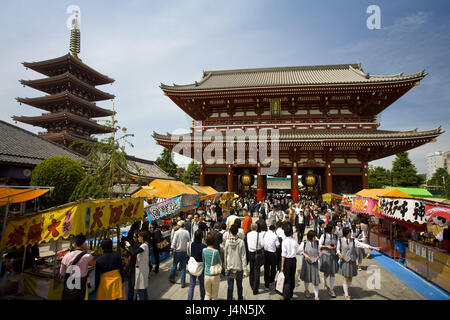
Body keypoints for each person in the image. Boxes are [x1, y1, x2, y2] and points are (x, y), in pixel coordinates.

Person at [337, 227, 380, 300]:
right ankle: (346, 295)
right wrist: (339, 253)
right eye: (349, 233)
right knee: (345, 277)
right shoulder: (340, 241)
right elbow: (338, 249)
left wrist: (372, 247)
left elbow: (362, 245)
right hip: (345, 261)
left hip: (352, 260)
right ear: (346, 234)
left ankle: (347, 288)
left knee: (350, 277)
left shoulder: (353, 241)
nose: (351, 234)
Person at [59, 234, 93, 300]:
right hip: (80, 283)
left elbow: (62, 273)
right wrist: (87, 249)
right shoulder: (87, 256)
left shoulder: (66, 256)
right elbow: (91, 256)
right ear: (84, 244)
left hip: (69, 283)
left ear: (74, 244)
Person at [224, 224, 248, 300]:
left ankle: (229, 298)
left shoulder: (227, 242)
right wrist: (245, 269)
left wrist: (225, 267)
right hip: (239, 267)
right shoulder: (241, 242)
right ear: (237, 231)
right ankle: (240, 298)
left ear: (230, 232)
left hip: (230, 266)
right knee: (239, 285)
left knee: (230, 286)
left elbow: (225, 255)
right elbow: (243, 256)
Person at [125, 231, 150, 300]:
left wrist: (129, 246)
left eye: (138, 237)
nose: (138, 238)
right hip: (142, 268)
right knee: (143, 289)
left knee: (141, 289)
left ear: (142, 237)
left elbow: (134, 253)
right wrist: (128, 248)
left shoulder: (144, 246)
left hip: (141, 269)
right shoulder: (145, 245)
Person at [280, 224, 300, 300]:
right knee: (292, 276)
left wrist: (282, 266)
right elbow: (296, 250)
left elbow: (283, 255)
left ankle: (287, 295)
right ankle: (291, 293)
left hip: (287, 260)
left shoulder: (284, 241)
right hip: (293, 260)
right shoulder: (295, 241)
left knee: (287, 278)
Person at [299, 231, 321, 300]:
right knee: (307, 278)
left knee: (315, 279)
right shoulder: (304, 243)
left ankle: (316, 295)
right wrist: (304, 254)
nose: (315, 238)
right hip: (307, 262)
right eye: (314, 237)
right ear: (310, 237)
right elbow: (299, 251)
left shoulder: (317, 243)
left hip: (315, 262)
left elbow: (319, 251)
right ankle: (306, 290)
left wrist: (319, 256)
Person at [169, 220, 191, 288]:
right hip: (184, 251)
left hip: (177, 251)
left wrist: (171, 250)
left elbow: (174, 242)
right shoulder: (187, 232)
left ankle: (172, 278)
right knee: (183, 268)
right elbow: (189, 240)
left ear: (179, 225)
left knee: (174, 265)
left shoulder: (177, 232)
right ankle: (182, 282)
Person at [319, 224, 338, 298]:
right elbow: (320, 245)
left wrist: (336, 247)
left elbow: (337, 244)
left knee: (332, 272)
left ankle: (332, 289)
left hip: (333, 255)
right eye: (333, 228)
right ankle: (324, 280)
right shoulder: (323, 236)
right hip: (326, 255)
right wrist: (327, 246)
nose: (334, 230)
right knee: (327, 272)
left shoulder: (335, 236)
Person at [246, 223, 265, 295]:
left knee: (251, 269)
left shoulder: (248, 234)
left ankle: (251, 284)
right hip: (257, 253)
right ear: (256, 228)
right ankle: (255, 288)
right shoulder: (259, 235)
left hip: (250, 253)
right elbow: (262, 244)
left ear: (251, 228)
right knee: (257, 270)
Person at [187, 230, 206, 300]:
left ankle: (189, 299)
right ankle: (203, 298)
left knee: (191, 285)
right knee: (202, 285)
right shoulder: (204, 246)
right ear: (201, 237)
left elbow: (189, 254)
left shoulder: (191, 244)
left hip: (192, 266)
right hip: (201, 267)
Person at [203, 233, 222, 300]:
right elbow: (219, 262)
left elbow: (204, 261)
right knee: (214, 295)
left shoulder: (204, 250)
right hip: (215, 274)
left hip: (207, 274)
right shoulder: (216, 251)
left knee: (207, 294)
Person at [263, 224, 279, 289]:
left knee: (266, 269)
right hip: (272, 254)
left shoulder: (265, 234)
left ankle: (266, 284)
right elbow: (277, 246)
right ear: (274, 230)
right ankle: (271, 280)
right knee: (273, 268)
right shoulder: (275, 236)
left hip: (265, 253)